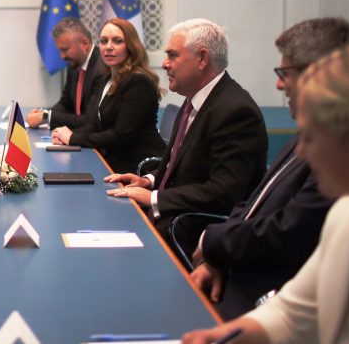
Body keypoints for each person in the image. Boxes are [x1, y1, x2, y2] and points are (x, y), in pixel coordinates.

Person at [182, 41, 349, 344]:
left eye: (312, 136)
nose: (302, 151)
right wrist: (219, 336)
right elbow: (292, 313)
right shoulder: (348, 215)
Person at [106, 18, 267, 255]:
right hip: (171, 215)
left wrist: (154, 197)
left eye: (172, 56)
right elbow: (186, 165)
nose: (164, 64)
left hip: (191, 231)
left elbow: (224, 192)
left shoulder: (235, 111)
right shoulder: (195, 98)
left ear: (202, 58)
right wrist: (149, 180)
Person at [51, 18, 166, 174]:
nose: (108, 47)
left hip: (138, 168)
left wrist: (73, 139)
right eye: (104, 41)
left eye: (117, 41)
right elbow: (94, 124)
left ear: (131, 46)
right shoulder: (107, 79)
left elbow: (120, 135)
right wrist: (67, 136)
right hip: (113, 161)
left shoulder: (139, 81)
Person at [26, 17, 106, 130]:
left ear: (85, 43)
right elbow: (66, 103)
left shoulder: (103, 69)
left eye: (65, 50)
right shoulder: (74, 64)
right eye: (60, 50)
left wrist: (47, 117)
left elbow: (89, 120)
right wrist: (44, 113)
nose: (62, 56)